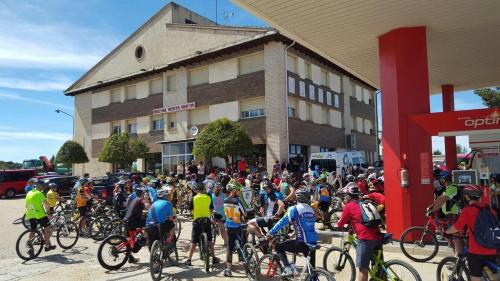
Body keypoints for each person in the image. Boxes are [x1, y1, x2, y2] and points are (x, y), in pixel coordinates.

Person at [445, 185, 497, 281]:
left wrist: (447, 232)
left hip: (476, 251)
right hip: (492, 248)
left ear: (467, 197)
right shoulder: (490, 210)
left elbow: (456, 227)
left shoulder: (468, 210)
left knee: (476, 278)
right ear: (480, 197)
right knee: (493, 277)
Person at [267, 189, 318, 276]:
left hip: (302, 242)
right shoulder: (311, 209)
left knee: (278, 247)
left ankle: (287, 268)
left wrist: (270, 232)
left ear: (297, 198)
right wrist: (294, 234)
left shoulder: (294, 209)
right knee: (312, 271)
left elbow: (282, 222)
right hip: (313, 242)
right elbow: (306, 225)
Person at [337, 185, 383, 281]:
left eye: (346, 195)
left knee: (363, 269)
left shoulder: (349, 206)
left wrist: (340, 224)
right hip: (378, 236)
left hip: (366, 239)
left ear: (348, 196)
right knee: (379, 264)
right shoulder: (366, 203)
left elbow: (340, 224)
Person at [427, 172, 464, 254]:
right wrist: (431, 206)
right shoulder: (448, 188)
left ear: (444, 179)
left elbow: (444, 199)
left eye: (441, 178)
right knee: (450, 236)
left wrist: (433, 210)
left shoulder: (453, 188)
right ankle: (456, 256)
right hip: (449, 214)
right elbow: (440, 198)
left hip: (453, 214)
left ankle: (459, 259)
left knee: (455, 237)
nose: (440, 180)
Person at [185, 183, 220, 266]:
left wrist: (195, 214)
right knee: (210, 240)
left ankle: (189, 259)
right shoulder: (208, 197)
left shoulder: (194, 198)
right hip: (206, 220)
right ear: (204, 190)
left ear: (197, 190)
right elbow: (211, 209)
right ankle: (214, 257)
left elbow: (190, 210)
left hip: (197, 221)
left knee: (193, 241)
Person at [223, 184, 246, 277]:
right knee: (242, 243)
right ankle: (244, 259)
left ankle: (228, 269)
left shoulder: (225, 200)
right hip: (237, 225)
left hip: (228, 226)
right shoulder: (238, 201)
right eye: (237, 190)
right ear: (233, 191)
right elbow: (244, 213)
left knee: (229, 247)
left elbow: (226, 213)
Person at [25, 182, 56, 252]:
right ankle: (47, 246)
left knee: (33, 229)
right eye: (43, 187)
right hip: (39, 215)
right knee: (48, 229)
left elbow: (26, 205)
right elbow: (46, 204)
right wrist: (48, 211)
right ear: (41, 187)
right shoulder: (39, 194)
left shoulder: (29, 193)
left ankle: (30, 242)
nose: (43, 189)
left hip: (30, 214)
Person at [123, 186, 148, 263]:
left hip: (127, 220)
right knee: (148, 228)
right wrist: (146, 200)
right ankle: (140, 242)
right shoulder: (141, 200)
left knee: (130, 239)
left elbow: (137, 211)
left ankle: (130, 257)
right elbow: (148, 208)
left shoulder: (134, 199)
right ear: (143, 194)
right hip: (133, 221)